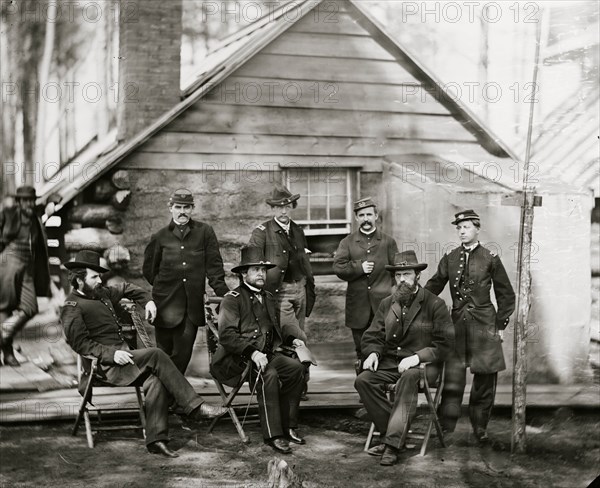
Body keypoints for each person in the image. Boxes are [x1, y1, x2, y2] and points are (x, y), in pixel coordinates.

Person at [61, 251, 227, 458]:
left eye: (100, 276)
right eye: (94, 276)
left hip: (125, 361)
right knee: (156, 354)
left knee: (155, 379)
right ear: (78, 279)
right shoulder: (72, 307)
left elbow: (127, 288)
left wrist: (148, 301)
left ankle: (156, 441)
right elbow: (81, 345)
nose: (99, 280)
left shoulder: (101, 294)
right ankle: (194, 406)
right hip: (105, 367)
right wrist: (111, 355)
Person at [355, 250, 454, 466]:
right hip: (391, 363)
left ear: (418, 275)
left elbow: (445, 345)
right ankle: (392, 431)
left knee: (409, 377)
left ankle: (391, 445)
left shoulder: (434, 304)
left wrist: (417, 358)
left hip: (424, 366)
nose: (402, 280)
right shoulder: (388, 303)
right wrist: (372, 352)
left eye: (407, 274)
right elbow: (374, 334)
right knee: (363, 380)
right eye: (398, 275)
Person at [425, 209, 515, 443]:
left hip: (485, 325)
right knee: (453, 379)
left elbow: (506, 294)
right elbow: (434, 285)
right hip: (457, 326)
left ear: (477, 228)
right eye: (459, 227)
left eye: (466, 227)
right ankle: (446, 427)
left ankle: (480, 429)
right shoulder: (450, 257)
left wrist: (500, 324)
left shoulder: (490, 257)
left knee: (485, 380)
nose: (462, 231)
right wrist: (418, 301)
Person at [210, 247, 310, 454]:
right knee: (269, 374)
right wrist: (252, 353)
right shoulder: (233, 299)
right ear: (243, 274)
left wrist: (292, 340)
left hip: (266, 355)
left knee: (296, 368)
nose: (261, 274)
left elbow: (275, 328)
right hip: (236, 359)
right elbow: (227, 336)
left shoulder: (269, 297)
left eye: (263, 270)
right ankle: (273, 435)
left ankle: (288, 426)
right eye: (255, 270)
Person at [143, 188, 229, 374]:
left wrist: (225, 294)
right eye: (178, 207)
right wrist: (165, 287)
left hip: (191, 308)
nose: (182, 211)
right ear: (170, 208)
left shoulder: (204, 232)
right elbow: (149, 271)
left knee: (182, 356)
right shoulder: (160, 237)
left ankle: (167, 397)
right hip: (164, 307)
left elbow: (214, 267)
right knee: (163, 355)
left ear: (192, 208)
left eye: (187, 207)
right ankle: (167, 400)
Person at [248, 185, 315, 399]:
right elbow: (253, 263)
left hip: (300, 288)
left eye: (286, 206)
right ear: (272, 209)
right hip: (279, 291)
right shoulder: (261, 232)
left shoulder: (297, 230)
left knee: (300, 336)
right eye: (278, 207)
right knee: (289, 335)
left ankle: (301, 383)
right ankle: (293, 384)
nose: (283, 211)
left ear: (291, 206)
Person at [332, 198, 398, 372]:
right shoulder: (347, 242)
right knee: (361, 349)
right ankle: (364, 388)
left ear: (376, 216)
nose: (366, 218)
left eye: (369, 214)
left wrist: (388, 292)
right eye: (362, 215)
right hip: (358, 306)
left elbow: (396, 271)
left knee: (384, 346)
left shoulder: (388, 242)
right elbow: (338, 267)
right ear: (356, 218)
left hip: (382, 305)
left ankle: (381, 386)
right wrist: (358, 267)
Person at [0, 186, 55, 366]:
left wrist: (53, 202)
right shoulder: (8, 214)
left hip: (28, 268)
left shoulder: (35, 217)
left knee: (31, 308)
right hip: (8, 262)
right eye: (25, 201)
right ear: (19, 202)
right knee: (5, 307)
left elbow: (56, 197)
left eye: (31, 200)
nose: (29, 204)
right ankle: (8, 354)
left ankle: (2, 334)